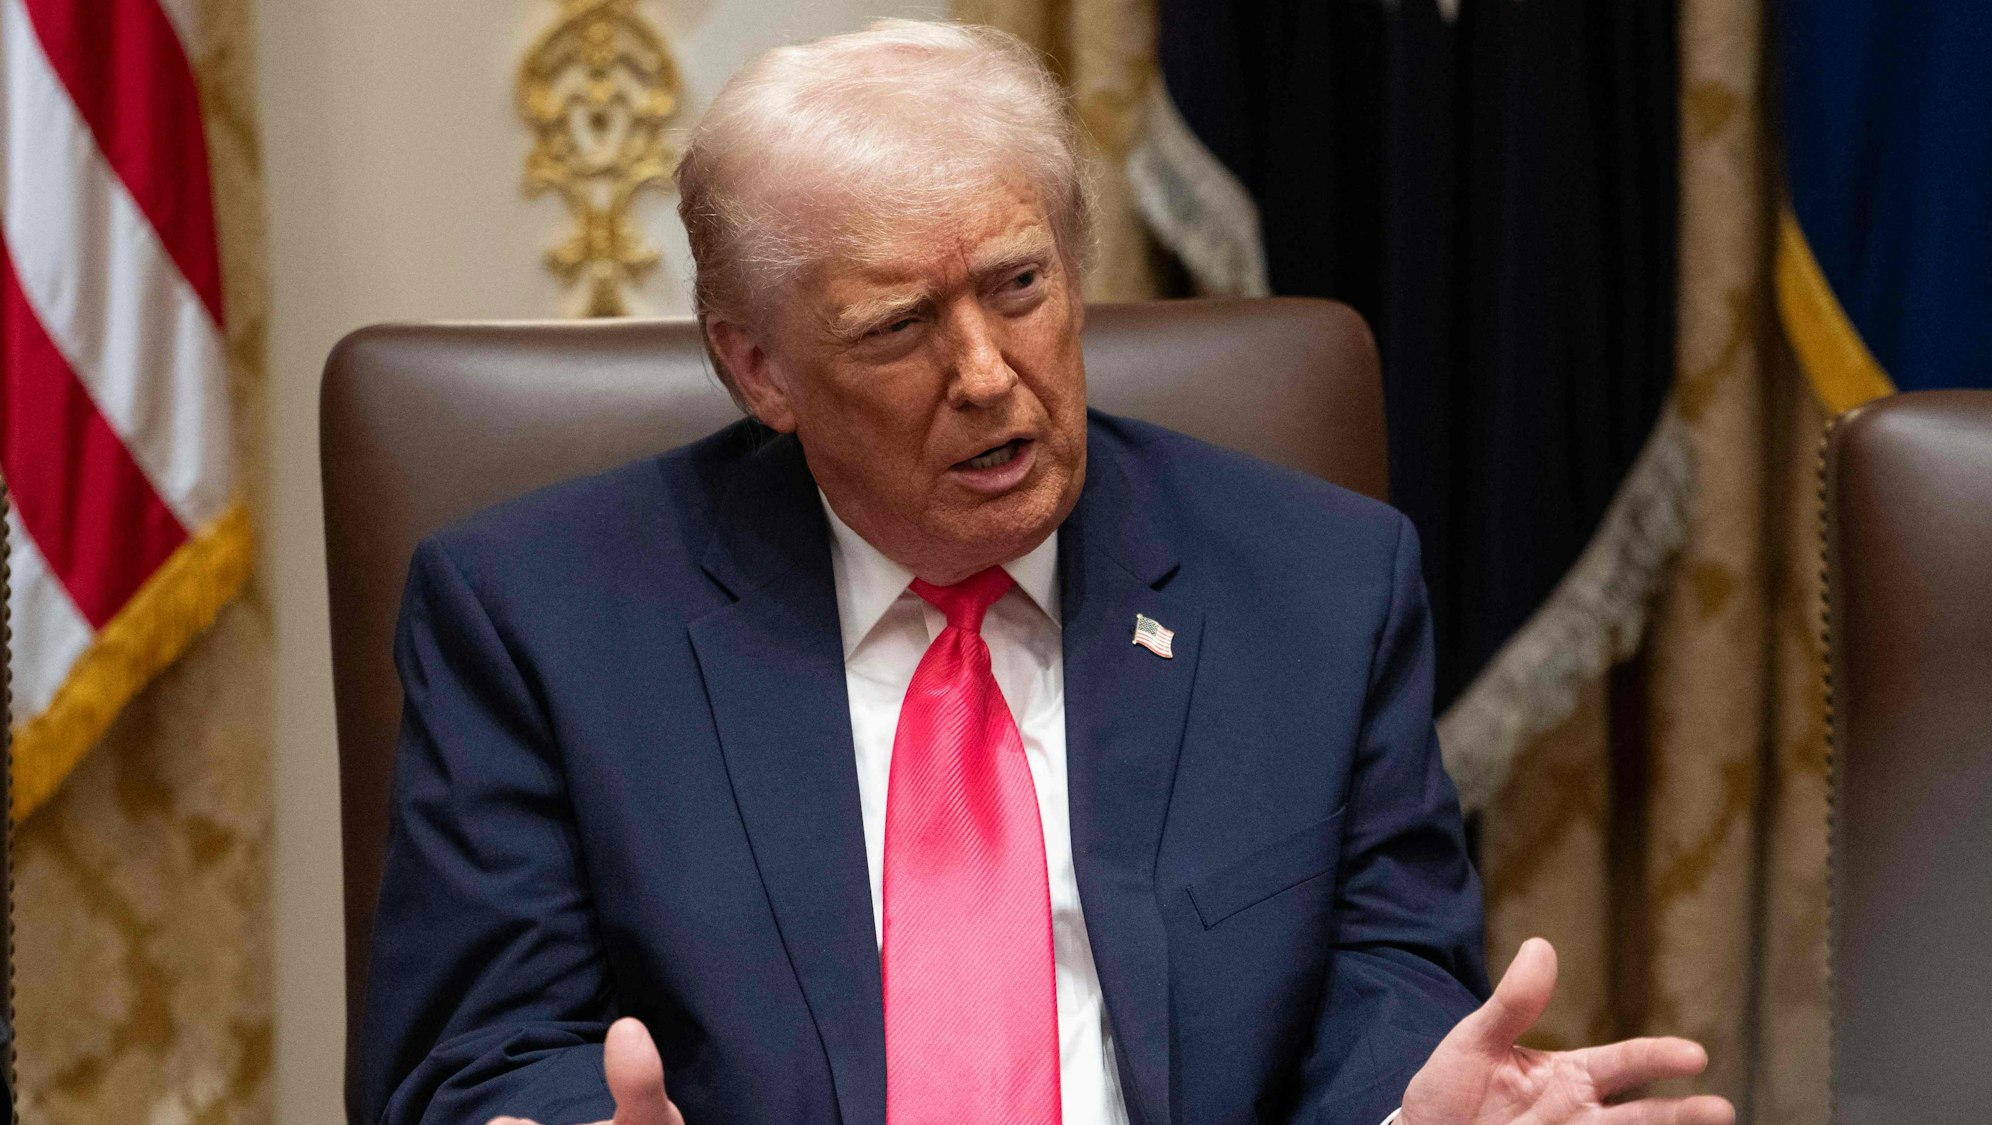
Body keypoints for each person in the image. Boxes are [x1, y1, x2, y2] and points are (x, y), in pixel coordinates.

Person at [358, 20, 1737, 1125]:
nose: (984, 372)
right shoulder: (538, 621)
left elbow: (1383, 985)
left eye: (1019, 287)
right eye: (898, 324)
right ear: (759, 366)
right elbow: (479, 1056)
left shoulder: (1319, 588)